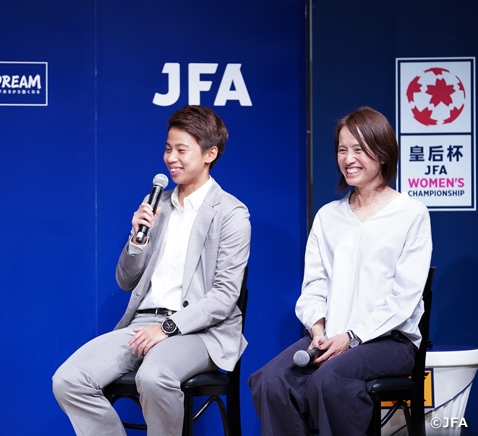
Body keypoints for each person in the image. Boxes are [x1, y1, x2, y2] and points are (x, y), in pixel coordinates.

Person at [53, 105, 251, 436]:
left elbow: (224, 296)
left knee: (154, 376)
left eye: (181, 150)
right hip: (143, 324)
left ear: (209, 154)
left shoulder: (231, 213)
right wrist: (137, 240)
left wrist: (169, 328)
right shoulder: (158, 204)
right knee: (69, 380)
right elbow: (125, 280)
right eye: (168, 148)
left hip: (200, 332)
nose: (171, 158)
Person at [248, 106, 432, 436]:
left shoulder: (411, 213)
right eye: (342, 150)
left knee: (329, 379)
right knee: (271, 380)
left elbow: (404, 298)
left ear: (382, 154)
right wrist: (317, 327)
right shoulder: (328, 216)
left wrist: (353, 336)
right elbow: (314, 286)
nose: (348, 159)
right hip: (330, 337)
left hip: (388, 341)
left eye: (359, 149)